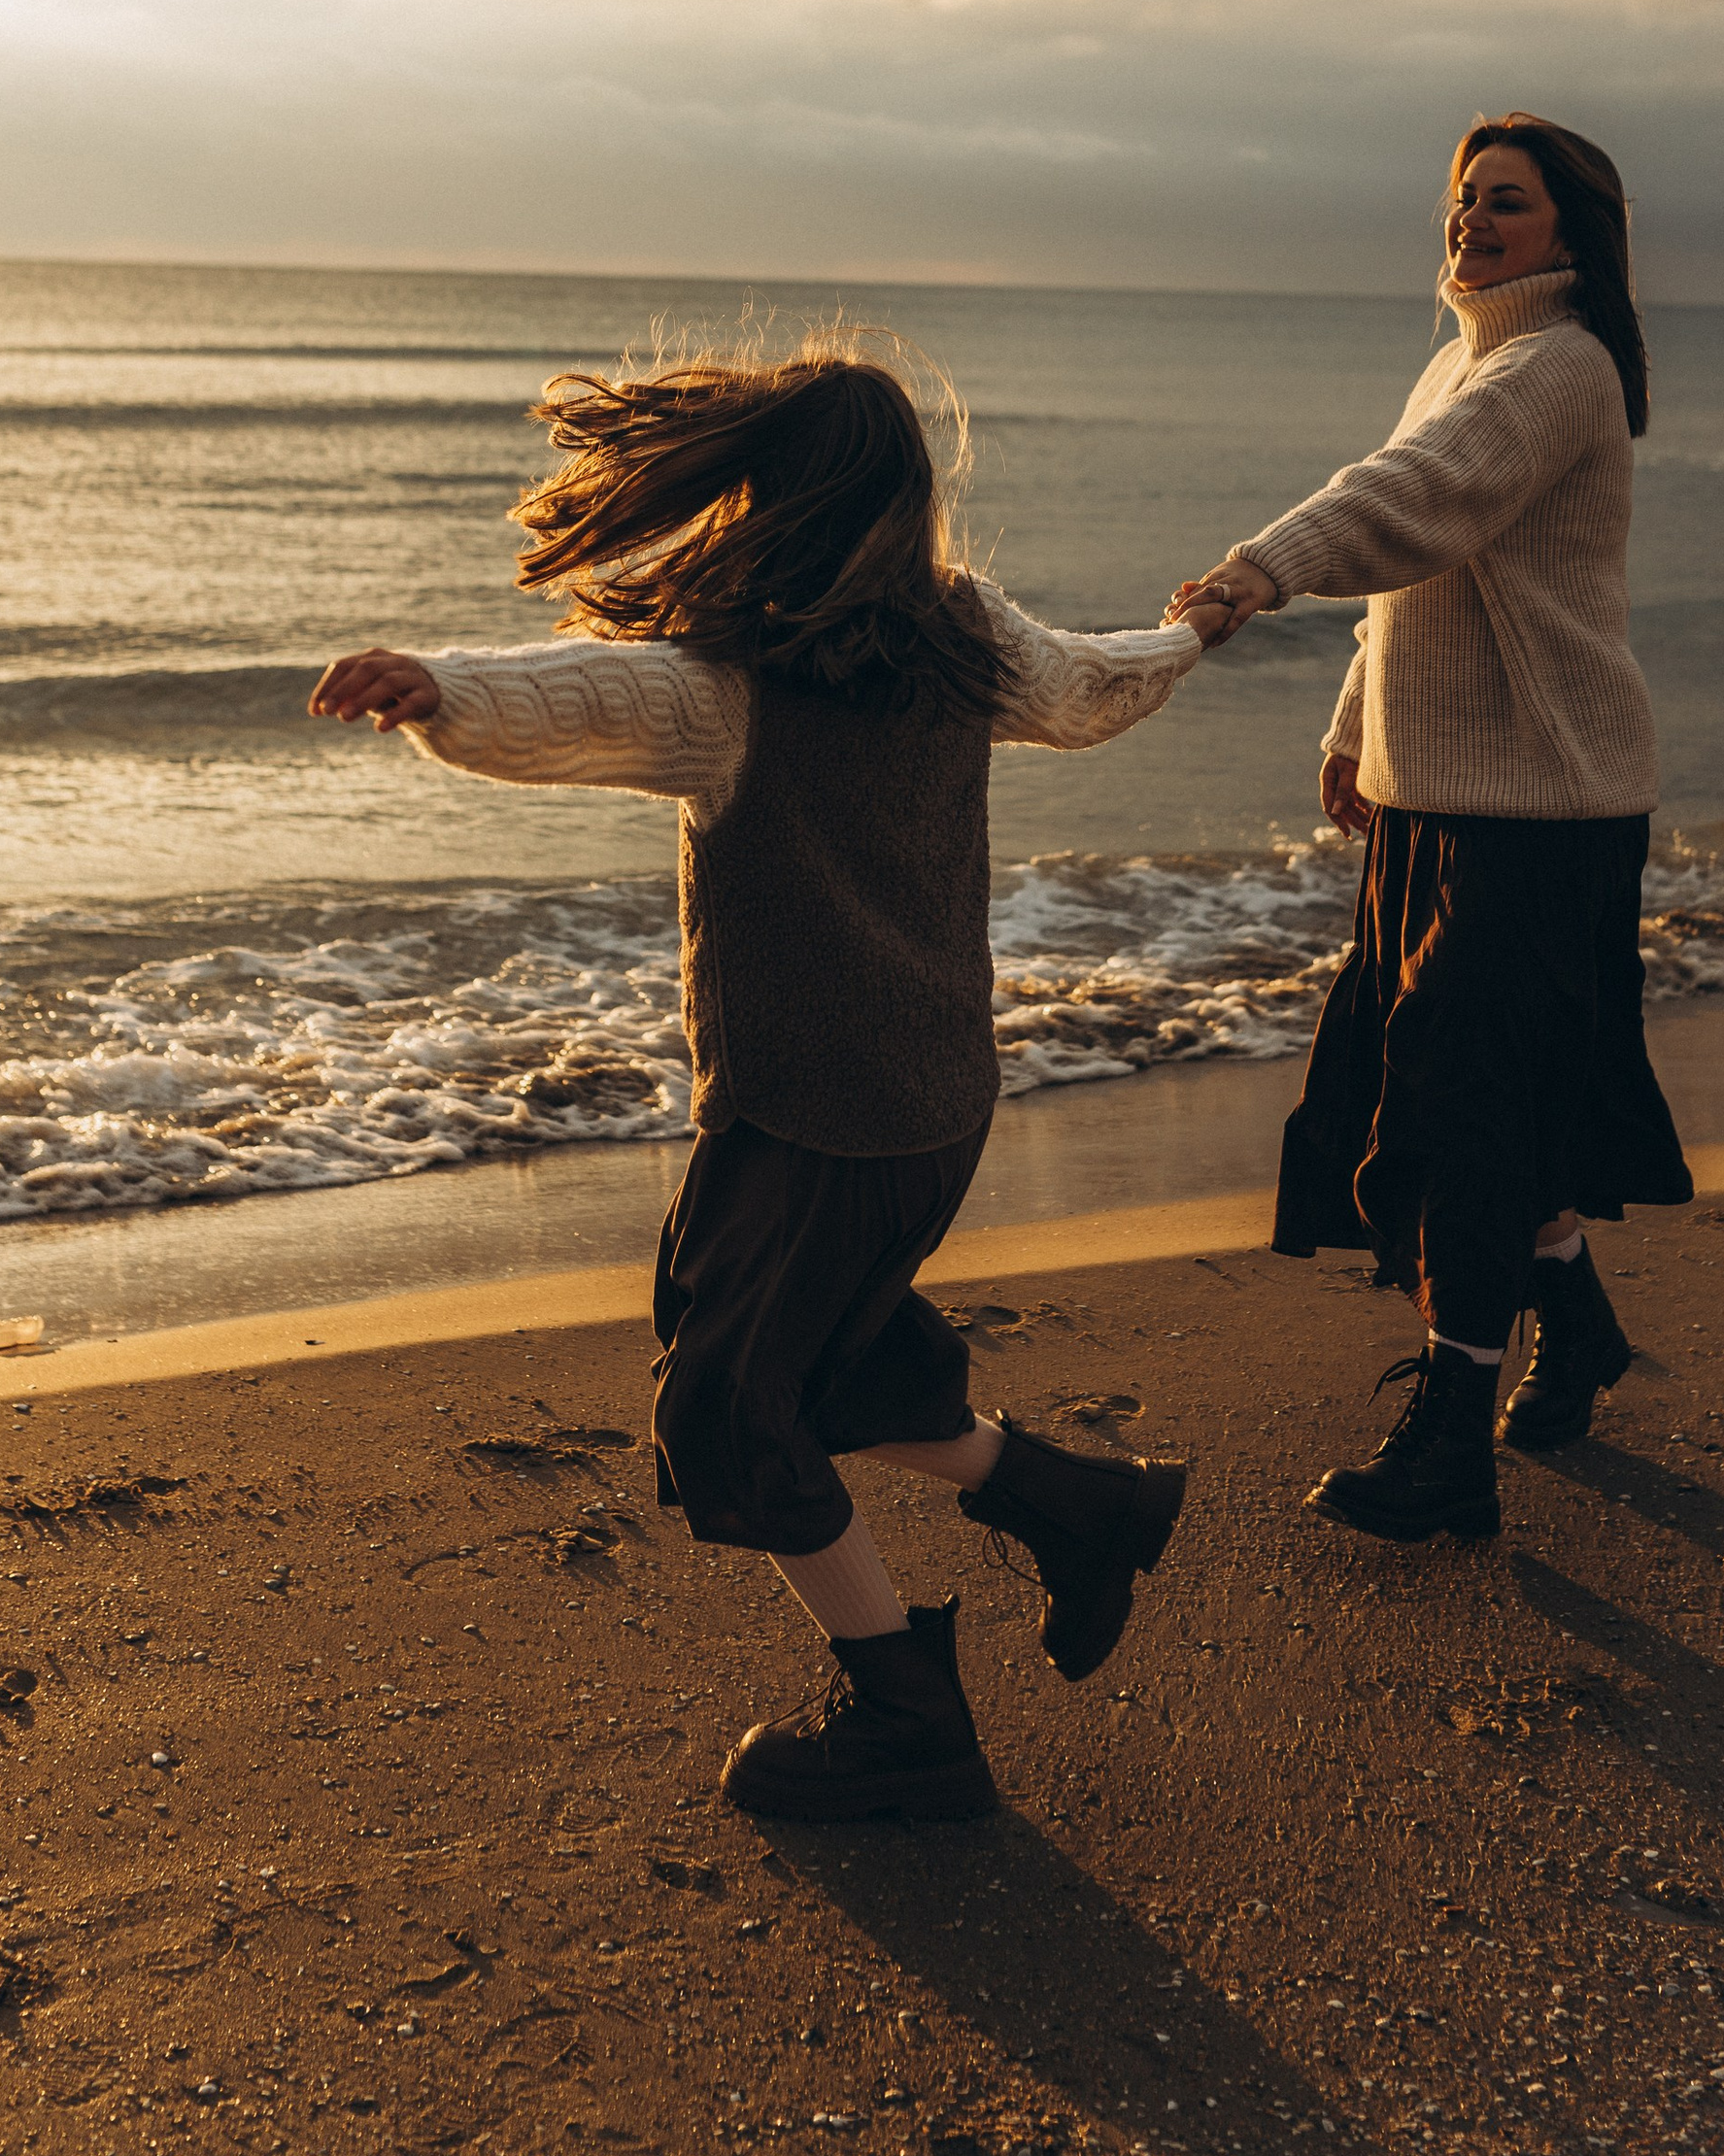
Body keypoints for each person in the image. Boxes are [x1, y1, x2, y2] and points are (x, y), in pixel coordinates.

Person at [313, 339, 1227, 1823]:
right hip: (931, 1102)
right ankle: (1085, 1509)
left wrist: (441, 688)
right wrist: (1189, 637)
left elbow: (589, 697)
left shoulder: (736, 687)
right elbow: (1094, 687)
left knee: (732, 1407)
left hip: (810, 1113)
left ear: (761, 498)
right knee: (822, 1368)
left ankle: (907, 1717)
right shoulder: (968, 644)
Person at [1167, 115, 1691, 1547]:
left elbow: (1418, 497)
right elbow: (1426, 571)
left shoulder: (1555, 367)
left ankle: (1455, 1436)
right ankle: (1572, 1330)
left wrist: (1257, 573)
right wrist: (1357, 730)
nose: (1471, 224)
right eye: (1464, 202)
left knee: (1461, 1113)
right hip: (1443, 797)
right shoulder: (1466, 360)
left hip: (1544, 803)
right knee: (1480, 1097)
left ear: (1572, 235)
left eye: (1505, 206)